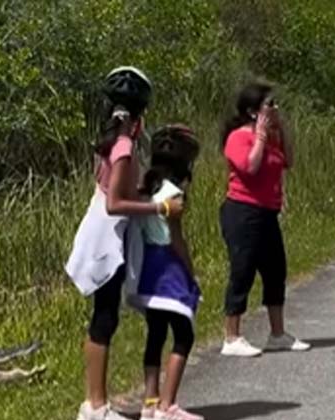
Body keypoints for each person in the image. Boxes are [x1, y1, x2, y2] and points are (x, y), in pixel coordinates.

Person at [66, 67, 185, 420]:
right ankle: (96, 406)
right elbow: (114, 203)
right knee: (104, 318)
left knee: (104, 317)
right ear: (139, 116)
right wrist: (159, 206)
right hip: (107, 236)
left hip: (105, 232)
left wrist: (142, 191)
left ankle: (95, 403)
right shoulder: (125, 146)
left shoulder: (109, 141)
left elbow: (110, 188)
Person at [219, 81, 311, 357]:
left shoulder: (272, 138)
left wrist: (278, 130)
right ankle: (232, 335)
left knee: (275, 270)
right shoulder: (238, 137)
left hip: (267, 212)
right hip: (242, 211)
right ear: (252, 111)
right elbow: (249, 167)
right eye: (269, 105)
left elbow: (289, 161)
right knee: (243, 270)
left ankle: (277, 333)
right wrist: (259, 136)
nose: (275, 109)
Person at [125, 124, 203, 420]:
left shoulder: (145, 189)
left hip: (146, 267)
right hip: (168, 265)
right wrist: (190, 271)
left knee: (156, 334)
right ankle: (168, 405)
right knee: (183, 334)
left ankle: (150, 402)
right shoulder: (175, 195)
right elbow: (177, 239)